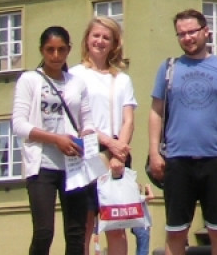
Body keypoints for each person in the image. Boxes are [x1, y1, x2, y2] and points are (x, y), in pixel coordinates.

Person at [148, 10, 217, 255]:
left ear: (206, 31)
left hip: (215, 159)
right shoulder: (169, 68)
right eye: (182, 34)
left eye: (192, 32)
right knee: (176, 232)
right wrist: (154, 152)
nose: (187, 38)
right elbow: (156, 111)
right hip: (177, 159)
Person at [14, 26, 94, 255]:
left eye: (61, 50)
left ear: (69, 50)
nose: (56, 56)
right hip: (42, 165)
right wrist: (56, 139)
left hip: (73, 166)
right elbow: (18, 124)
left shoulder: (76, 83)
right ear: (42, 50)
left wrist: (86, 137)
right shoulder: (29, 80)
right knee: (44, 232)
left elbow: (87, 121)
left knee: (76, 233)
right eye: (50, 50)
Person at [71, 17, 137, 255]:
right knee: (85, 224)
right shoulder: (75, 75)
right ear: (87, 39)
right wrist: (109, 143)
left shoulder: (122, 79)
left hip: (117, 154)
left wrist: (119, 152)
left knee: (116, 225)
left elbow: (128, 119)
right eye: (96, 36)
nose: (100, 41)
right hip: (88, 154)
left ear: (114, 44)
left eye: (106, 37)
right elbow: (77, 120)